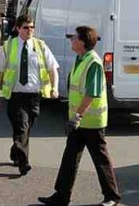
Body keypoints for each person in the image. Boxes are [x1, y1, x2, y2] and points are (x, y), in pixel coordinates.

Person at [38, 26, 121, 206]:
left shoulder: (94, 63)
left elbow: (92, 93)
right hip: (79, 121)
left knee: (100, 160)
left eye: (74, 38)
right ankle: (61, 196)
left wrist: (77, 116)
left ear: (82, 42)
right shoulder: (80, 59)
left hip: (91, 122)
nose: (71, 40)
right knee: (69, 158)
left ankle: (112, 197)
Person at [0, 14, 59, 176]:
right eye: (26, 27)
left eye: (32, 27)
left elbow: (52, 69)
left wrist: (54, 87)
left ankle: (16, 153)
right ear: (18, 28)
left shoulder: (41, 46)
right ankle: (24, 163)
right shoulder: (8, 47)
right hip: (15, 96)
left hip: (34, 96)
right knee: (22, 127)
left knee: (24, 130)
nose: (30, 30)